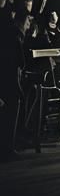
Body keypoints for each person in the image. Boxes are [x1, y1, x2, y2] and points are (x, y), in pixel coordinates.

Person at [0, 11, 29, 160]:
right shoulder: (16, 37)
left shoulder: (5, 35)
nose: (28, 26)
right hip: (12, 81)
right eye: (27, 23)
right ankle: (9, 148)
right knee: (12, 114)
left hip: (3, 81)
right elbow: (21, 62)